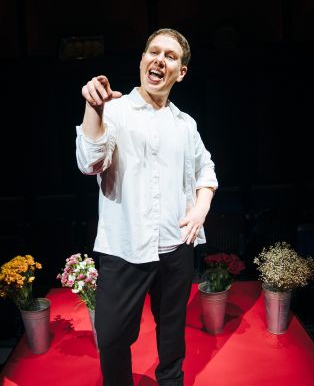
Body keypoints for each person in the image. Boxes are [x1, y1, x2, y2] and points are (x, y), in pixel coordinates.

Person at [75, 28, 218, 386]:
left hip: (175, 248)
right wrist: (94, 109)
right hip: (125, 249)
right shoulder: (115, 111)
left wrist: (201, 208)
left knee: (172, 337)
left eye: (170, 56)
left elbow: (207, 169)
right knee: (111, 338)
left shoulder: (185, 125)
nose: (159, 60)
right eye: (153, 52)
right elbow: (89, 163)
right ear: (142, 61)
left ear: (180, 72)